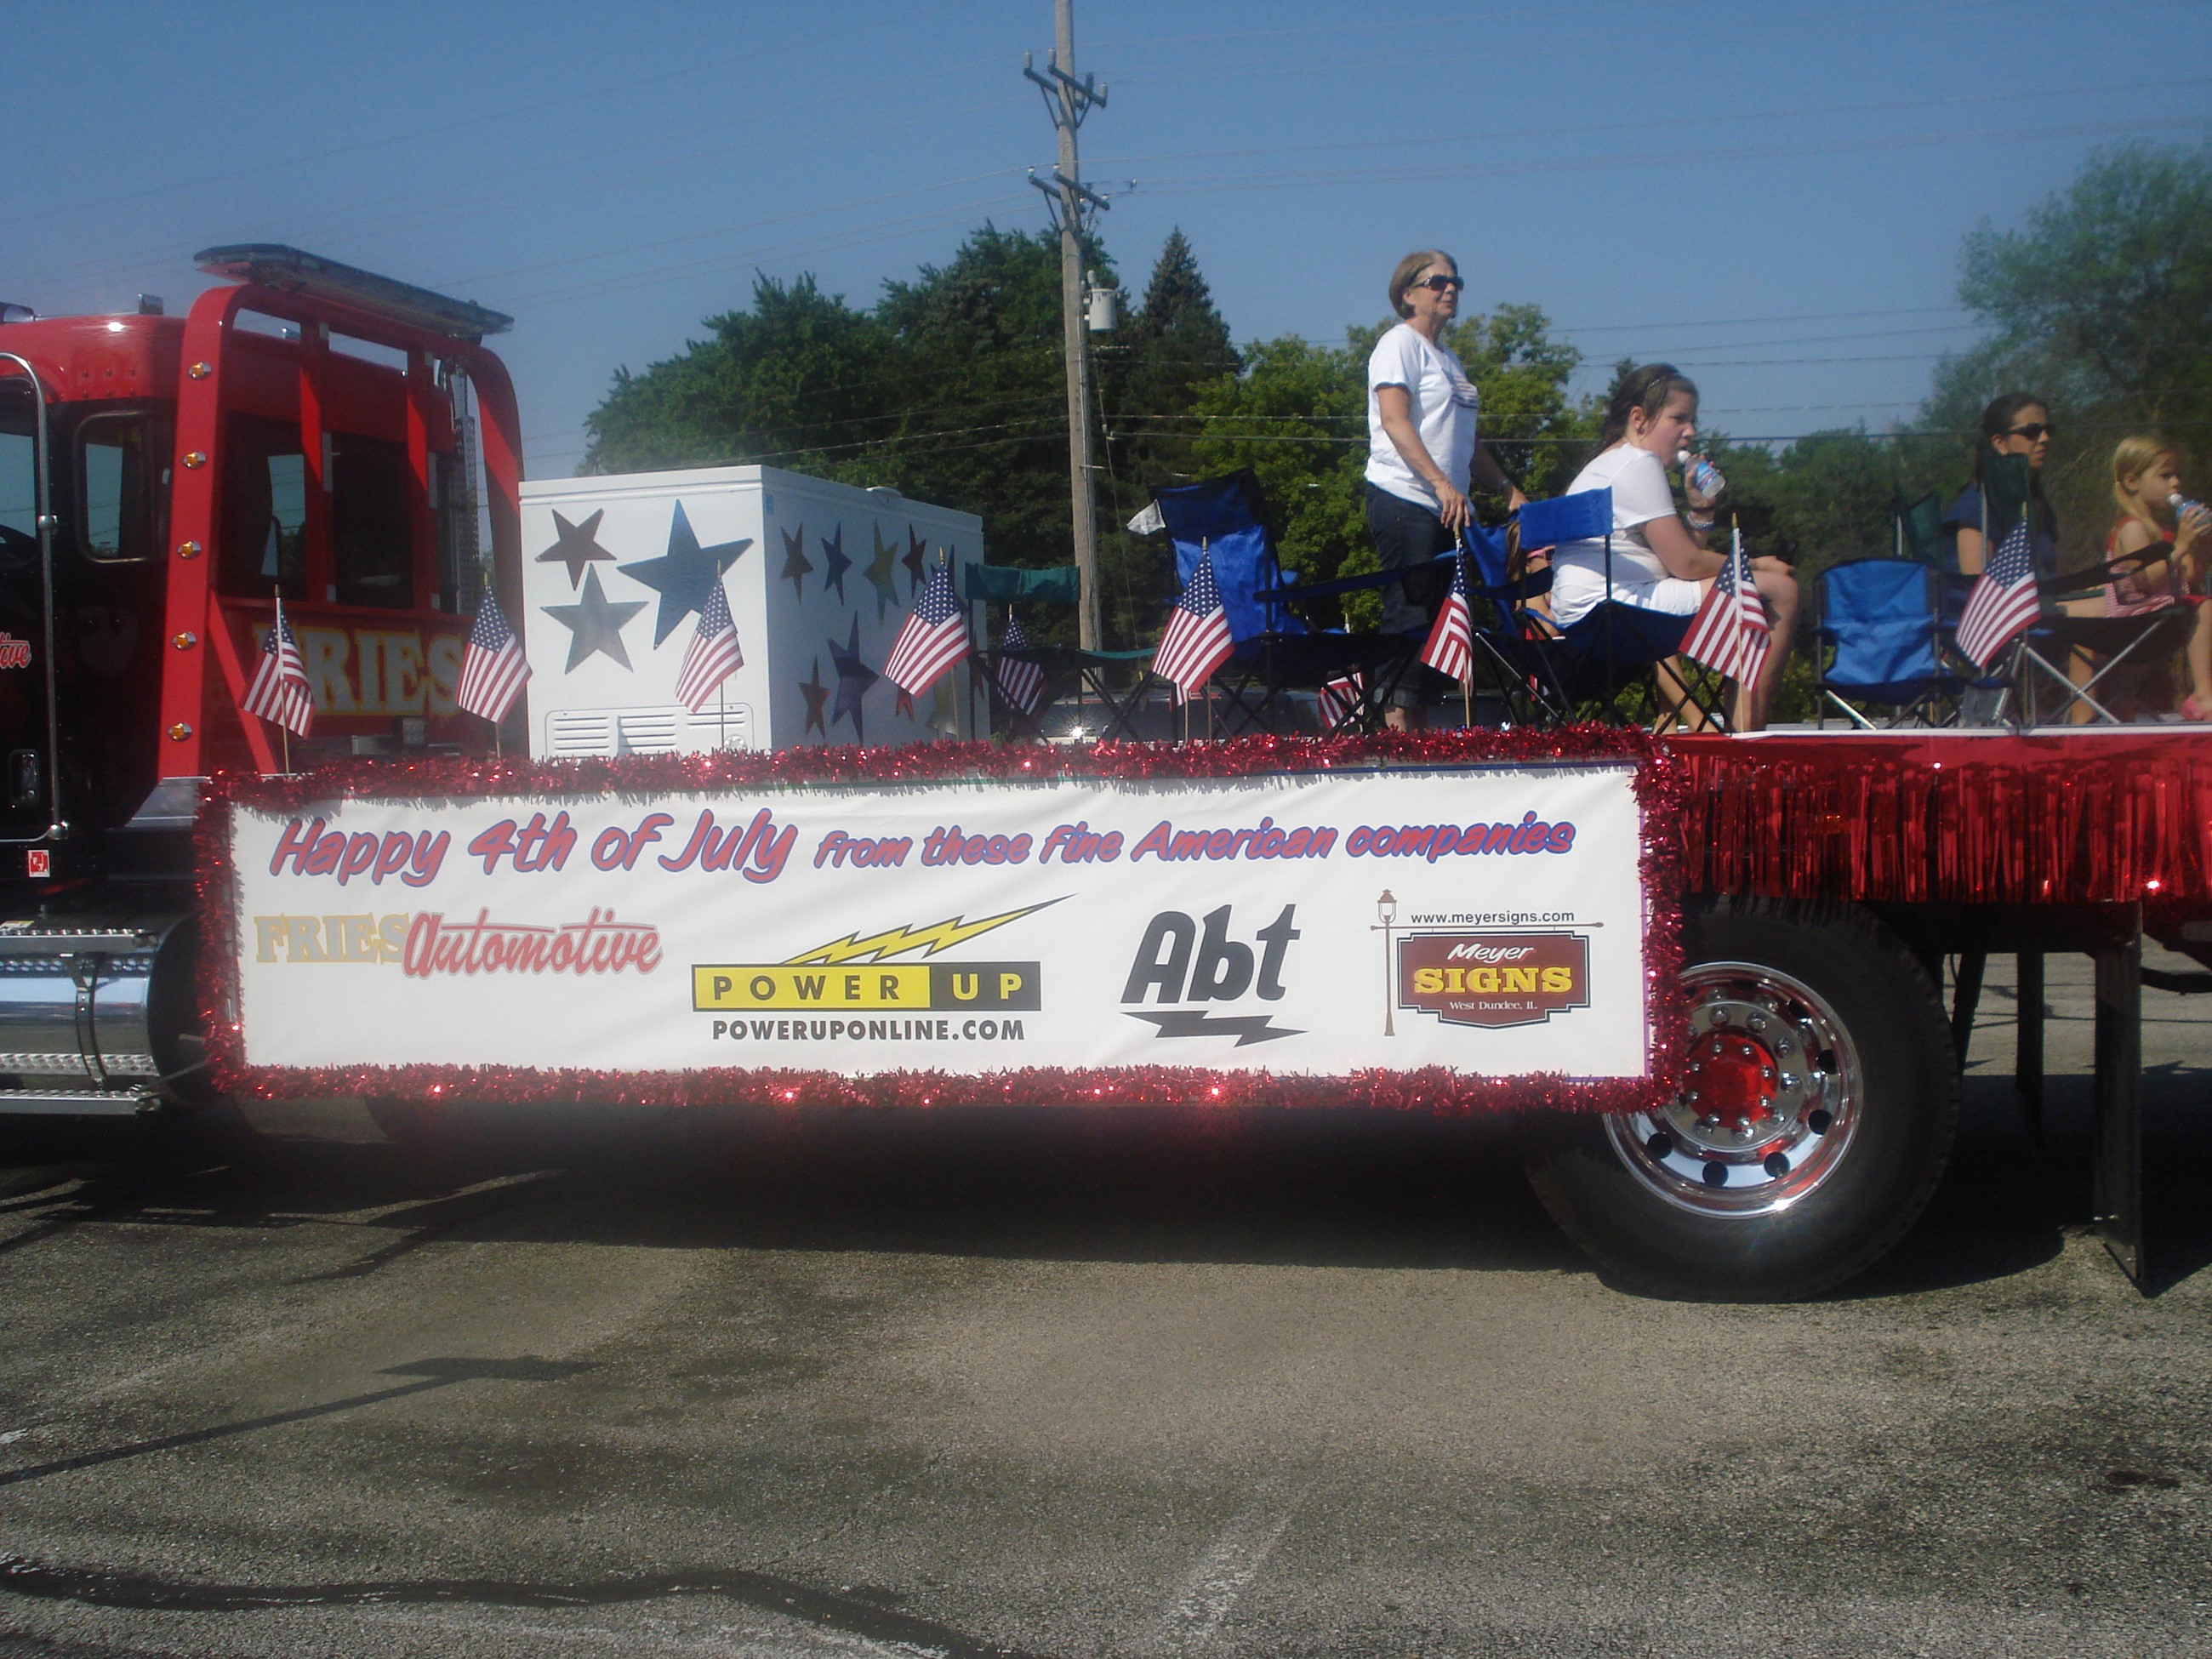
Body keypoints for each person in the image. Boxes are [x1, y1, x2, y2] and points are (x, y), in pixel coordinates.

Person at [1547, 364, 1798, 731]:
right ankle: (1747, 737)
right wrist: (1758, 565)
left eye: (1693, 420)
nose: (1690, 432)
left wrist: (1700, 511)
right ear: (1639, 419)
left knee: (1754, 587)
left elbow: (1675, 567)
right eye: (1678, 418)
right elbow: (1687, 564)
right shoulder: (1637, 464)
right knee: (1780, 590)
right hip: (1616, 612)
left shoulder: (1610, 464)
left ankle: (1740, 730)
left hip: (1590, 618)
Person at [1365, 249, 1525, 728]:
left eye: (1456, 281)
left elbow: (1466, 442)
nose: (1450, 288)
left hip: (1450, 508)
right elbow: (1394, 420)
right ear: (1408, 294)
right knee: (1410, 612)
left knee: (1443, 619)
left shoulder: (1449, 360)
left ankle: (1422, 734)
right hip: (1405, 497)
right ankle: (1395, 733)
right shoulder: (1398, 344)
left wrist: (1507, 489)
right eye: (1437, 282)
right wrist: (1440, 483)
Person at [2105, 436, 2212, 720]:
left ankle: (2197, 697)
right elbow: (2144, 581)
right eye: (2165, 476)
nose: (2176, 483)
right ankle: (2204, 694)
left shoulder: (2160, 531)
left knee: (2201, 600)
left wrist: (2204, 544)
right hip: (2132, 617)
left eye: (2177, 475)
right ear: (2132, 482)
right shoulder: (2132, 527)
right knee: (2203, 606)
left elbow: (2191, 575)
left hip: (2156, 615)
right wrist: (2181, 545)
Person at [1944, 392, 2059, 579]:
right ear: (2000, 443)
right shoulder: (1976, 507)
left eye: (2049, 430)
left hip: (2046, 596)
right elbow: (1977, 587)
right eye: (2032, 432)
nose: (2045, 438)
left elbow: (2053, 576)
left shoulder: (2037, 502)